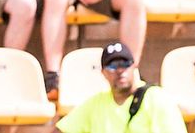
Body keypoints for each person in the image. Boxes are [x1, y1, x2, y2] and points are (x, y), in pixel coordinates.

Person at [56, 41, 187, 133]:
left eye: (125, 64)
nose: (119, 70)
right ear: (103, 72)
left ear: (134, 66)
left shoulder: (157, 98)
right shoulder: (96, 103)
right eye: (112, 66)